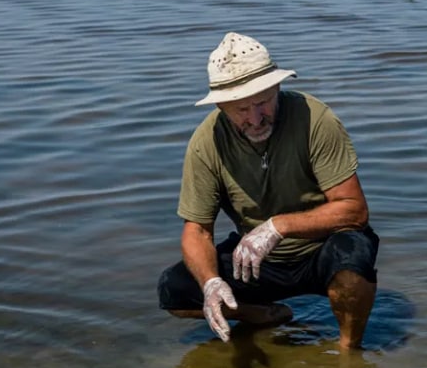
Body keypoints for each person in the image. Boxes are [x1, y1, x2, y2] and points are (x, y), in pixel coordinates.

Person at [157, 32, 379, 350]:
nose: (256, 118)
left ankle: (348, 352)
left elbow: (354, 209)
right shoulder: (206, 143)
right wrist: (210, 283)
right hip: (256, 261)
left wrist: (279, 226)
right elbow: (197, 231)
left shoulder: (315, 119)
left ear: (277, 87)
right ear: (221, 106)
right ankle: (265, 316)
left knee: (353, 258)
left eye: (262, 102)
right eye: (241, 110)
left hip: (321, 249)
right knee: (174, 289)